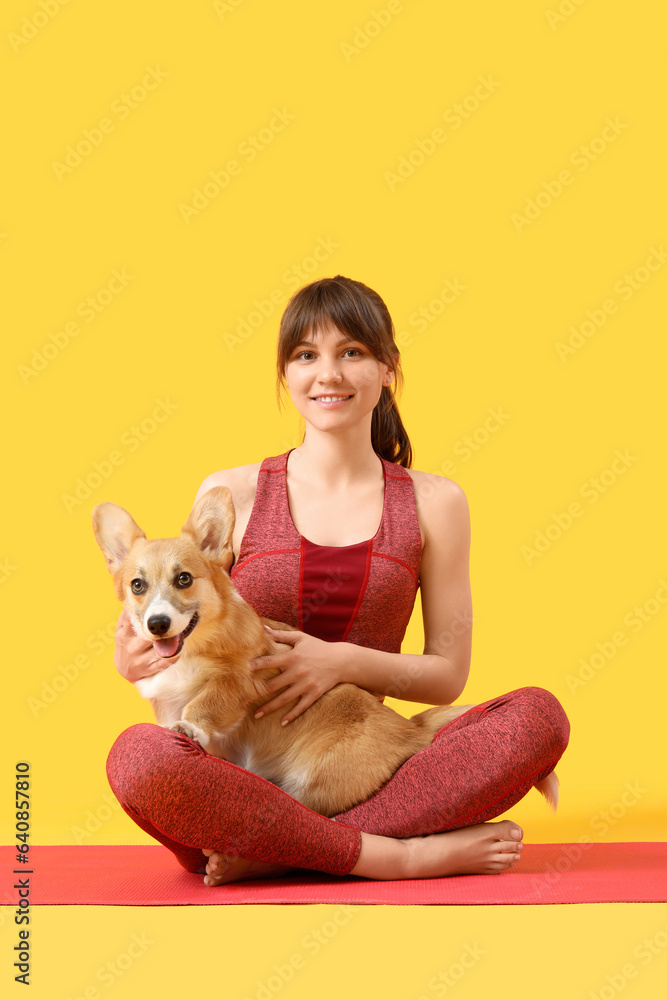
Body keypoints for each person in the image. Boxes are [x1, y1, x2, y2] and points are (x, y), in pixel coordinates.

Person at [107, 275, 570, 885]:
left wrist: (338, 661)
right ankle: (403, 855)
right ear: (287, 375)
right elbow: (171, 621)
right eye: (306, 355)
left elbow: (447, 675)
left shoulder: (435, 501)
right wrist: (130, 654)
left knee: (538, 718)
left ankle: (282, 852)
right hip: (232, 767)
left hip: (353, 760)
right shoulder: (233, 491)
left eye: (351, 351)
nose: (328, 374)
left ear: (387, 369)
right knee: (138, 761)